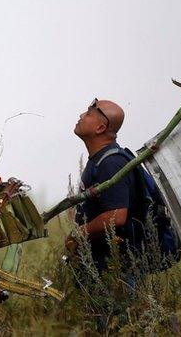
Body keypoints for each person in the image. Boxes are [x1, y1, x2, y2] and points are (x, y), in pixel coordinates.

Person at [64, 98, 138, 273]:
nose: (81, 115)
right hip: (101, 262)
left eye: (88, 114)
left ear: (100, 128)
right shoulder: (99, 160)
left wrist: (79, 233)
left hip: (115, 267)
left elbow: (117, 215)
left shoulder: (111, 163)